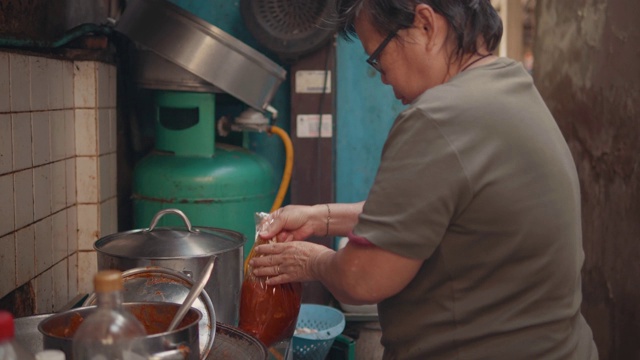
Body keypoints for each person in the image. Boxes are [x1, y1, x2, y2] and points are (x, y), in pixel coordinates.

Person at [249, 0, 599, 358]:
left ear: (427, 26)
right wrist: (320, 217)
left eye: (377, 57)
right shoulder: (509, 85)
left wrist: (309, 261)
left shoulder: (437, 116)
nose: (382, 76)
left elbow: (363, 278)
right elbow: (443, 212)